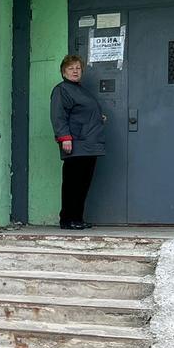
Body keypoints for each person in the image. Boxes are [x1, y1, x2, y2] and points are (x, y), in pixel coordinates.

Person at [50, 53, 106, 230]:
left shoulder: (81, 90)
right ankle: (67, 219)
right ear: (63, 71)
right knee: (72, 183)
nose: (75, 71)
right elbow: (58, 115)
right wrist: (64, 138)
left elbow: (82, 113)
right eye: (70, 68)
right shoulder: (62, 90)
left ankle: (77, 218)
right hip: (75, 143)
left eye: (78, 68)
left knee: (83, 183)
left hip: (89, 144)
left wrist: (98, 117)